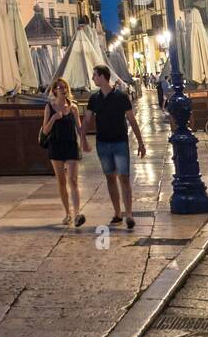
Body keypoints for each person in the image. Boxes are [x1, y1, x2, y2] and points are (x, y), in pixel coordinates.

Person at [82, 64, 146, 231]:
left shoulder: (121, 97)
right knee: (110, 177)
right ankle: (118, 213)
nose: (93, 78)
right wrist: (82, 138)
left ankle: (129, 214)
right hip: (102, 143)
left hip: (120, 142)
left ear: (102, 77)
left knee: (124, 177)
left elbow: (132, 120)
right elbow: (87, 120)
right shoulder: (94, 99)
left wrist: (140, 142)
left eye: (94, 75)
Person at [41, 77, 85, 227]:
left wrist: (84, 141)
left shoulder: (73, 107)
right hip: (56, 146)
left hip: (71, 145)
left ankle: (78, 213)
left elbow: (79, 128)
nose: (63, 89)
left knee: (73, 180)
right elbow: (45, 130)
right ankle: (68, 213)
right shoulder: (50, 107)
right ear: (54, 91)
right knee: (61, 181)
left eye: (64, 87)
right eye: (59, 87)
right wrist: (54, 118)